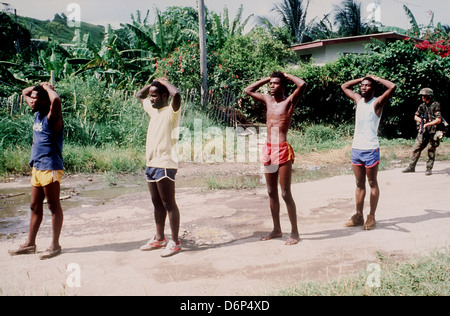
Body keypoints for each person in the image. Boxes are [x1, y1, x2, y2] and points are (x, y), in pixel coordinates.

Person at [244, 72, 307, 245]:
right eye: (270, 84)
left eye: (276, 83)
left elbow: (302, 84)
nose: (272, 86)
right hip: (268, 149)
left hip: (282, 150)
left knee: (285, 193)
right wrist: (267, 78)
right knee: (271, 192)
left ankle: (295, 232)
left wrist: (286, 75)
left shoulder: (289, 102)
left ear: (284, 85)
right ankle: (277, 229)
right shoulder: (267, 100)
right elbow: (248, 90)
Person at [9, 83, 64, 260]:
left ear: (43, 101)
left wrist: (48, 89)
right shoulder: (38, 115)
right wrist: (39, 85)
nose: (31, 101)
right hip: (37, 167)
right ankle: (30, 244)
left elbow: (55, 99)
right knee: (34, 205)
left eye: (35, 99)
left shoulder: (52, 117)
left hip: (50, 166)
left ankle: (55, 245)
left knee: (53, 206)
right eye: (31, 99)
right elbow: (23, 91)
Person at [341, 75, 396, 230]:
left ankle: (371, 216)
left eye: (367, 85)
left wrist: (376, 78)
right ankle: (358, 216)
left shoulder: (377, 103)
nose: (363, 87)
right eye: (362, 85)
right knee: (359, 184)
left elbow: (392, 87)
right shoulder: (358, 100)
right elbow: (344, 86)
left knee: (372, 183)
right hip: (356, 149)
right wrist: (361, 79)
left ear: (374, 88)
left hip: (370, 149)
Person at [136, 78, 182, 257]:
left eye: (155, 96)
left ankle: (176, 241)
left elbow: (176, 94)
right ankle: (159, 238)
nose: (151, 98)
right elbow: (139, 95)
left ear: (164, 96)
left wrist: (164, 82)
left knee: (169, 203)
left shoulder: (171, 113)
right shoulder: (153, 110)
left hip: (165, 164)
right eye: (151, 96)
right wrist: (153, 83)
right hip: (151, 164)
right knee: (157, 203)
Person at [402, 88, 442, 176]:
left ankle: (429, 168)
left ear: (429, 96)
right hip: (424, 131)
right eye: (422, 96)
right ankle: (411, 167)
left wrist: (427, 124)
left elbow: (438, 120)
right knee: (416, 148)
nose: (422, 97)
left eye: (424, 96)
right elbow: (415, 117)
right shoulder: (422, 106)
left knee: (431, 150)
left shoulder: (435, 105)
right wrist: (422, 121)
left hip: (433, 131)